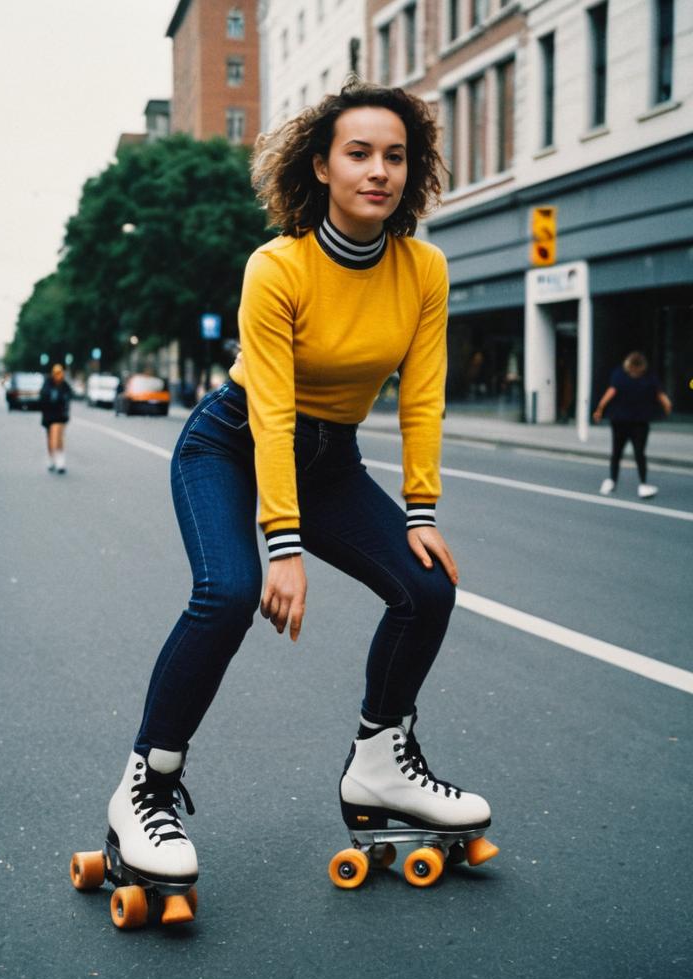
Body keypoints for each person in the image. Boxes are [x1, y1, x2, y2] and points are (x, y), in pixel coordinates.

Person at [104, 81, 493, 891]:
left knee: (427, 587)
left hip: (329, 459)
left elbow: (423, 396)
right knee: (227, 594)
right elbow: (273, 412)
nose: (379, 171)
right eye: (359, 153)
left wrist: (421, 511)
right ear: (321, 166)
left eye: (396, 156)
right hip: (232, 441)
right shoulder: (277, 266)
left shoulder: (423, 269)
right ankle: (146, 787)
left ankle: (380, 764)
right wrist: (283, 546)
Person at [593, 351, 672, 499]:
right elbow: (660, 395)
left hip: (621, 421)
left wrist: (599, 409)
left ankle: (612, 480)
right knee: (639, 454)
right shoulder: (649, 377)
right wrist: (667, 407)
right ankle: (642, 484)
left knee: (617, 453)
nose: (635, 372)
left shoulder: (620, 374)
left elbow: (610, 392)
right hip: (638, 422)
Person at [40, 364, 72, 474]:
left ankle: (60, 461)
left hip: (60, 415)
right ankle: (51, 458)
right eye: (57, 373)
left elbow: (69, 396)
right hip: (49, 415)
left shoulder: (64, 385)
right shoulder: (47, 384)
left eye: (60, 373)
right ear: (53, 374)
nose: (59, 375)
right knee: (50, 438)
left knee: (58, 437)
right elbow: (44, 397)